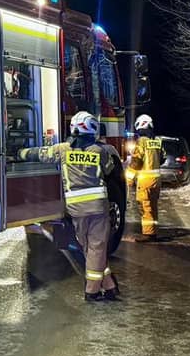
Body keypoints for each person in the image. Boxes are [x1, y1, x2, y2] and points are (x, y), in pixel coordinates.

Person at [19, 111, 122, 302]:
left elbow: (41, 154)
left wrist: (19, 152)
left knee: (90, 248)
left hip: (75, 210)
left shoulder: (63, 149)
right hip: (97, 208)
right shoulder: (100, 151)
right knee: (97, 247)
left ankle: (109, 286)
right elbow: (109, 169)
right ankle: (92, 291)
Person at [126, 114, 164, 238]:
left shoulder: (141, 141)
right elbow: (162, 158)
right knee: (153, 206)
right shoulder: (157, 142)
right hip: (156, 181)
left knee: (145, 207)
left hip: (145, 181)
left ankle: (148, 234)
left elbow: (136, 161)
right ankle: (153, 231)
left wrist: (129, 178)